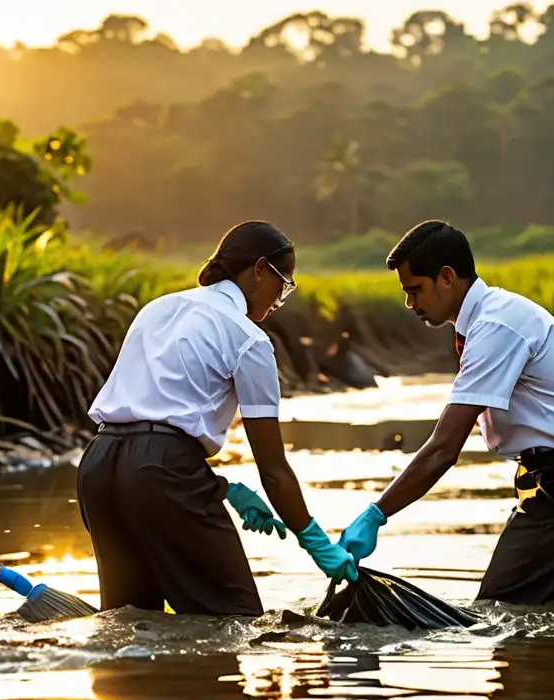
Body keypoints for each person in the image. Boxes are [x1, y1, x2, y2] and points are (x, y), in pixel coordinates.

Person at [76, 220, 357, 617]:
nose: (280, 300)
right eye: (284, 284)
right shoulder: (249, 339)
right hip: (161, 472)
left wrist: (220, 487)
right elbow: (273, 468)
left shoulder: (158, 309)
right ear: (260, 270)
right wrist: (314, 540)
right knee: (235, 621)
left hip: (98, 466)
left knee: (130, 623)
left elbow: (145, 422)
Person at [336, 220, 554, 606]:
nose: (410, 304)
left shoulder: (495, 327)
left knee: (498, 611)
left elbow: (444, 448)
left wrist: (376, 514)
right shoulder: (486, 321)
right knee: (548, 617)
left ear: (447, 277)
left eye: (415, 290)